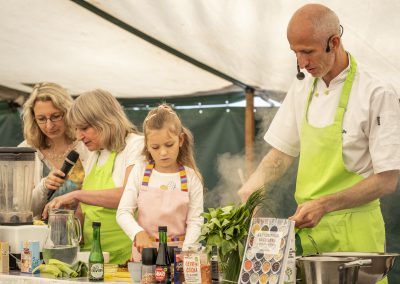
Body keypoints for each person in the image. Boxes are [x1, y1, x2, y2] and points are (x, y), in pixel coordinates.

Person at [238, 3, 400, 274]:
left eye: (307, 52)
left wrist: (324, 205)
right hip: (308, 234)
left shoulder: (376, 92)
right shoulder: (303, 85)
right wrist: (252, 187)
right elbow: (282, 152)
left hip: (356, 236)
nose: (302, 63)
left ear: (333, 42)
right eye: (295, 53)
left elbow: (387, 180)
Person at [43, 89, 144, 265]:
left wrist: (76, 195)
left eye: (84, 128)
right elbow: (84, 208)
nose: (79, 136)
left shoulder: (135, 145)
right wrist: (68, 222)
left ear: (106, 120)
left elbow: (128, 196)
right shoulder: (94, 155)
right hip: (91, 256)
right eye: (76, 129)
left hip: (125, 258)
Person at [117, 104, 204, 259]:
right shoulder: (139, 171)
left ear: (181, 140)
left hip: (180, 255)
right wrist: (138, 233)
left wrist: (187, 251)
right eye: (155, 147)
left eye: (169, 145)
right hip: (145, 255)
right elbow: (123, 212)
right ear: (147, 147)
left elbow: (196, 220)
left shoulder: (191, 177)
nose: (163, 152)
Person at [19, 82, 87, 219]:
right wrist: (43, 186)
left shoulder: (86, 145)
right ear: (33, 119)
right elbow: (21, 209)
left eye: (55, 116)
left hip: (82, 234)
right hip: (37, 237)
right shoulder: (25, 151)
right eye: (41, 119)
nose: (49, 126)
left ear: (68, 112)